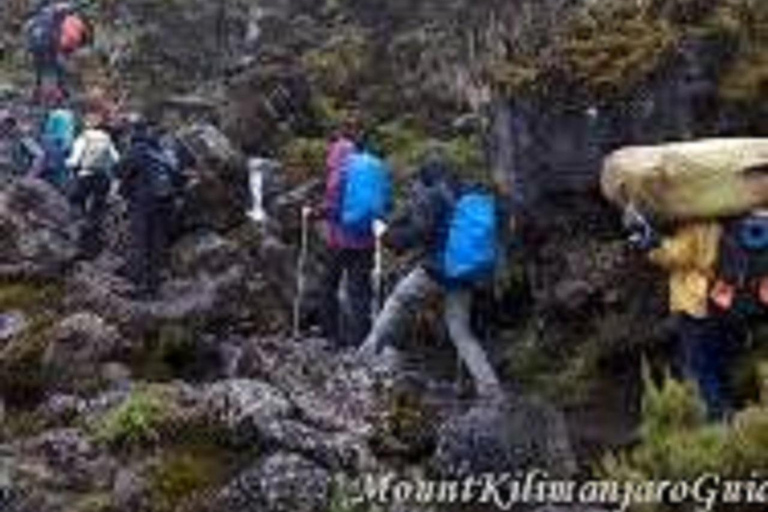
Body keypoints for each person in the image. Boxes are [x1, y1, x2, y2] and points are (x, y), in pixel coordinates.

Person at [357, 155, 505, 400]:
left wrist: (386, 236)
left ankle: (362, 357)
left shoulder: (435, 195)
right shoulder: (464, 194)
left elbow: (420, 232)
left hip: (436, 271)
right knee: (460, 331)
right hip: (464, 273)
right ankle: (490, 388)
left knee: (398, 301)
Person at [640, 216, 740, 420]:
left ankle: (715, 417)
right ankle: (728, 409)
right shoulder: (718, 223)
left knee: (699, 364)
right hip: (720, 299)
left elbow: (678, 256)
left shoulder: (693, 225)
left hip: (696, 302)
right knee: (718, 359)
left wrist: (653, 243)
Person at [314, 127, 391, 347]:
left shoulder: (342, 166)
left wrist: (317, 213)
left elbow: (333, 203)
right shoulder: (375, 166)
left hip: (340, 238)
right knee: (359, 291)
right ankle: (360, 341)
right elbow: (385, 201)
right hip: (367, 239)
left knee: (328, 284)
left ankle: (330, 335)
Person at [116, 117, 182, 299]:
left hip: (143, 202)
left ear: (135, 132)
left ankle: (139, 286)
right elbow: (176, 174)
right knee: (157, 242)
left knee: (140, 241)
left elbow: (119, 169)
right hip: (164, 201)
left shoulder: (137, 149)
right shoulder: (160, 150)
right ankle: (155, 285)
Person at [66, 113, 120, 258]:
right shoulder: (107, 139)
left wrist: (68, 164)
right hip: (103, 179)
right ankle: (94, 248)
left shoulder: (83, 138)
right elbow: (116, 159)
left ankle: (78, 244)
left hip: (85, 176)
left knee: (76, 205)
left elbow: (74, 160)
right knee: (97, 212)